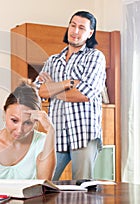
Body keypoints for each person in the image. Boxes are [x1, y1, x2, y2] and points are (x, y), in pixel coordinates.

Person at [34, 11, 106, 180]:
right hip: (57, 134)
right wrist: (67, 84)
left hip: (84, 133)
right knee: (44, 183)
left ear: (90, 33)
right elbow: (39, 91)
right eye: (73, 25)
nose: (75, 31)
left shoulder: (95, 57)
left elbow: (84, 94)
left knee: (82, 188)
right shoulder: (53, 60)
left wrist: (53, 90)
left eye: (82, 28)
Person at [0, 82, 56, 184]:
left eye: (27, 123)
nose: (19, 130)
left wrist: (51, 131)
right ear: (4, 114)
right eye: (14, 120)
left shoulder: (43, 142)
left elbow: (44, 182)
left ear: (36, 121)